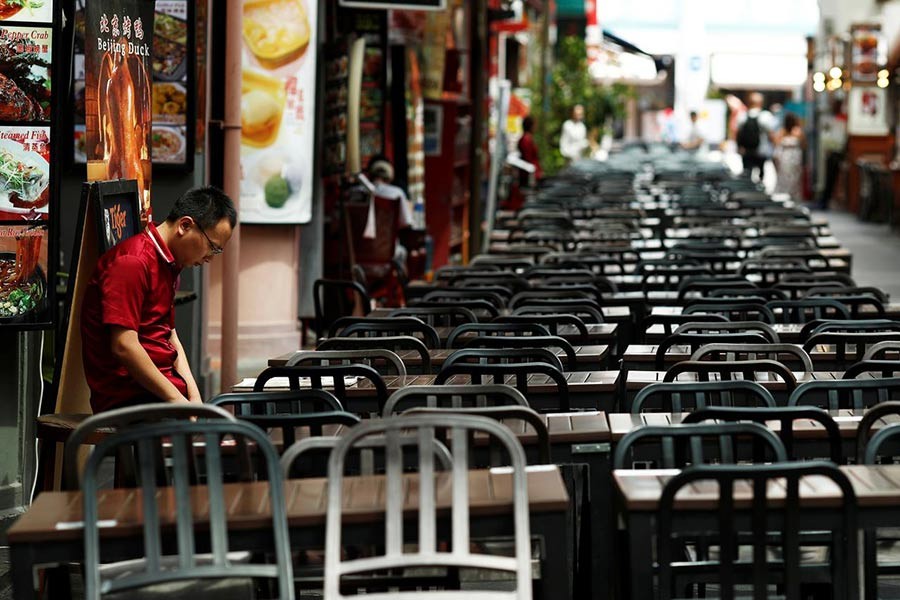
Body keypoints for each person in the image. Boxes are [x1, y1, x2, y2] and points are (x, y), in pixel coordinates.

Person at [81, 186, 236, 413]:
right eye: (212, 247)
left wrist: (194, 400)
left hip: (160, 395)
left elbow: (169, 335)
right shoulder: (132, 262)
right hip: (131, 398)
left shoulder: (170, 264)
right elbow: (124, 345)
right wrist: (177, 401)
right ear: (185, 225)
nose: (210, 258)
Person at [735, 92, 777, 182]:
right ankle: (759, 192)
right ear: (761, 103)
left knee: (747, 173)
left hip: (746, 150)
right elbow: (771, 134)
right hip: (761, 149)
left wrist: (739, 147)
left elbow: (737, 133)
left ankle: (747, 190)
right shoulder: (765, 116)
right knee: (761, 173)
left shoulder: (742, 116)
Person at [772, 112, 806, 200]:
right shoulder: (797, 131)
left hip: (785, 157)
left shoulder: (782, 132)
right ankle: (791, 195)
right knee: (794, 178)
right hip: (794, 157)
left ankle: (785, 195)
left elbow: (776, 144)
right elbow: (804, 145)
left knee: (785, 177)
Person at [517, 115, 542, 186]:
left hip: (532, 172)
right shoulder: (526, 139)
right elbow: (528, 158)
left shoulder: (528, 138)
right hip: (529, 174)